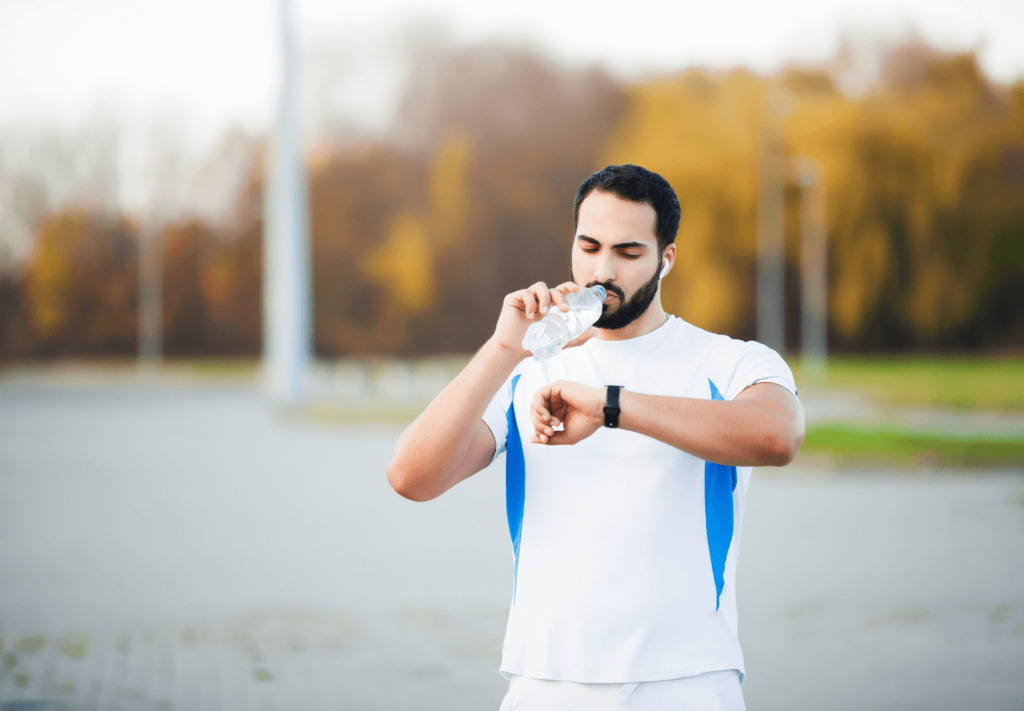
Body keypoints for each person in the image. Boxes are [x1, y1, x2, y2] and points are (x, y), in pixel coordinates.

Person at [387, 164, 805, 710]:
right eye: (589, 247)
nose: (602, 270)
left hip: (687, 682)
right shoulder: (526, 367)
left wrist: (611, 405)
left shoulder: (729, 360)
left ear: (666, 258)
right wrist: (503, 349)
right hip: (544, 683)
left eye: (628, 253)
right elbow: (411, 478)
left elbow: (778, 435)